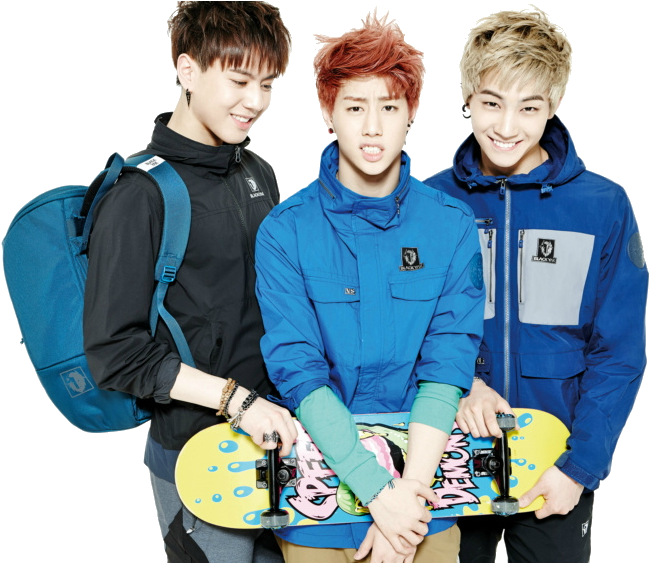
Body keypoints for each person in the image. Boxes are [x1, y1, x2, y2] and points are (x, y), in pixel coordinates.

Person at [254, 11, 485, 563]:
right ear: (328, 111)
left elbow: (446, 365)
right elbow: (300, 373)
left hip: (426, 488)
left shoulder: (450, 226)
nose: (373, 128)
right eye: (355, 108)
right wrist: (378, 493)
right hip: (317, 496)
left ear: (412, 112)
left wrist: (408, 497)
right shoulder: (285, 232)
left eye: (389, 107)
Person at [423, 8, 647, 563]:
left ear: (554, 104)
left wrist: (580, 468)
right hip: (448, 454)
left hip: (555, 458)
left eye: (529, 107)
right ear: (467, 98)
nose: (506, 126)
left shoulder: (603, 206)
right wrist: (461, 385)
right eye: (491, 103)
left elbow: (619, 353)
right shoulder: (430, 203)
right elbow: (408, 330)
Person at [82, 2, 297, 561]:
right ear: (187, 70)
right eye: (239, 81)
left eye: (267, 84)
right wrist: (235, 401)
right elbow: (115, 352)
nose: (256, 102)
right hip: (195, 454)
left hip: (280, 438)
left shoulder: (258, 172)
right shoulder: (138, 196)